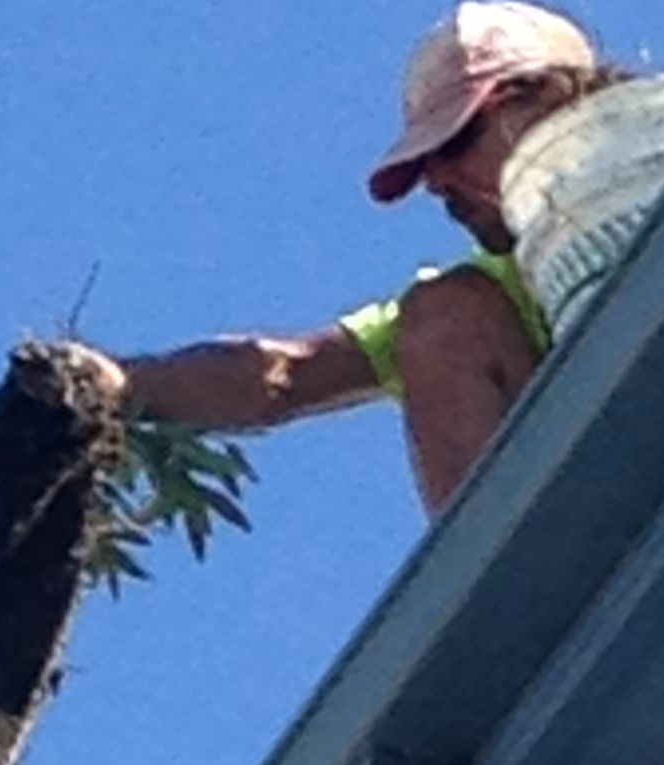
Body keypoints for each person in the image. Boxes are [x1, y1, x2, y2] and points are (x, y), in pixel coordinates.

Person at [78, 4, 621, 517]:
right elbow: (286, 372)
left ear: (555, 97)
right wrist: (118, 385)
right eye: (426, 164)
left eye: (457, 140)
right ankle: (514, 572)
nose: (438, 183)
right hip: (615, 508)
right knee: (446, 317)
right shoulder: (485, 304)